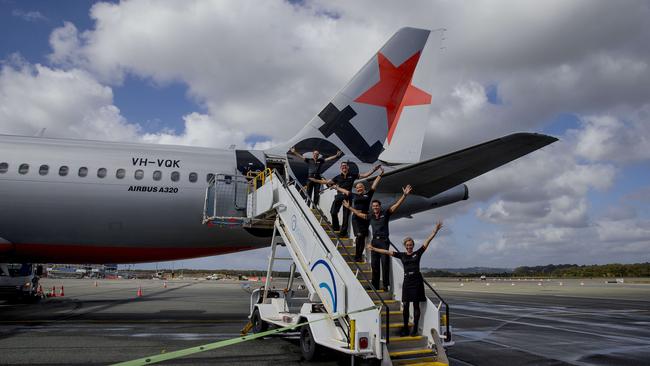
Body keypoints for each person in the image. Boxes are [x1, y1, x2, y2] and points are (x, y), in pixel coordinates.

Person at [367, 222, 443, 337]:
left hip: (417, 280)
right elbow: (387, 252)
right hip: (407, 281)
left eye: (411, 244)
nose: (409, 246)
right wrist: (373, 248)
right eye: (407, 245)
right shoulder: (402, 255)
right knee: (406, 305)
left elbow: (427, 241)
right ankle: (406, 328)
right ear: (405, 246)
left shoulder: (418, 253)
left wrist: (435, 231)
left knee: (416, 305)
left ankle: (415, 329)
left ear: (413, 245)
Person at [344, 184, 412, 291]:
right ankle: (375, 285)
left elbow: (396, 205)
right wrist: (349, 207)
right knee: (374, 265)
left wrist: (404, 195)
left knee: (385, 263)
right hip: (374, 241)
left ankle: (385, 285)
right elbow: (359, 214)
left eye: (377, 206)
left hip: (384, 241)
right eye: (373, 206)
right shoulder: (370, 216)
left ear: (380, 206)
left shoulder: (386, 213)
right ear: (372, 207)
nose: (375, 207)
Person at [312, 162, 381, 237]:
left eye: (345, 166)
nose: (344, 167)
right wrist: (315, 180)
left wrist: (374, 169)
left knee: (346, 216)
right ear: (340, 168)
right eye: (342, 166)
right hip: (339, 196)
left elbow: (365, 175)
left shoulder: (352, 175)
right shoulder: (337, 177)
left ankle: (342, 233)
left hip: (348, 197)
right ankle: (336, 228)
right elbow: (326, 181)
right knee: (333, 212)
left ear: (348, 167)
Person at [331, 169, 383, 261]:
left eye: (360, 187)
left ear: (364, 188)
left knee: (362, 237)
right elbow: (345, 191)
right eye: (357, 188)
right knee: (359, 236)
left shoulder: (368, 195)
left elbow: (374, 185)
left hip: (365, 217)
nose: (359, 189)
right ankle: (357, 256)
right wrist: (336, 187)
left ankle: (358, 256)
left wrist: (380, 175)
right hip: (356, 218)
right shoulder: (354, 195)